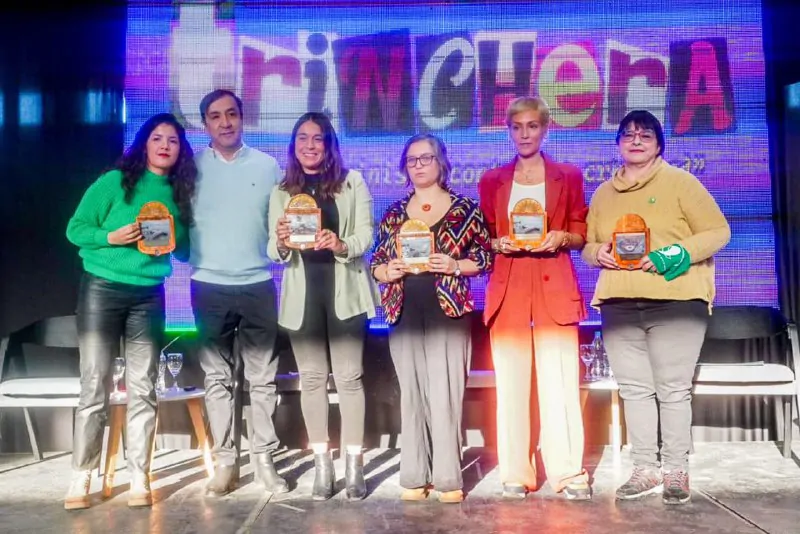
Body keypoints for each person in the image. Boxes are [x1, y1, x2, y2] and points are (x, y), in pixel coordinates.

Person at [582, 110, 730, 505]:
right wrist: (599, 252)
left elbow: (719, 231)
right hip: (619, 301)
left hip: (676, 301)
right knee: (634, 390)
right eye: (627, 134)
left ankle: (676, 470)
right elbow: (588, 244)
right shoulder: (602, 193)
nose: (635, 140)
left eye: (645, 135)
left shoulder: (681, 182)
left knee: (673, 390)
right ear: (617, 143)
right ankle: (645, 469)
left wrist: (676, 253)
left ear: (659, 143)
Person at [64, 113, 197, 510]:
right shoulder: (113, 182)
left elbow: (185, 251)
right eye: (157, 138)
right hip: (101, 289)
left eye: (173, 140)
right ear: (144, 143)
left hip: (149, 295)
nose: (164, 145)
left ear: (180, 150)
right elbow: (75, 229)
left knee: (143, 387)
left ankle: (140, 474)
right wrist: (111, 236)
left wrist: (174, 233)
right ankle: (81, 475)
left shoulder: (180, 191)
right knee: (94, 385)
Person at [477, 96, 591, 500]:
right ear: (509, 131)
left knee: (560, 381)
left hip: (554, 282)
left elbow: (581, 232)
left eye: (532, 126)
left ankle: (567, 472)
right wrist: (497, 242)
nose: (524, 134)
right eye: (516, 127)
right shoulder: (492, 179)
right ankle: (515, 472)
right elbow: (483, 239)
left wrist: (563, 236)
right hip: (509, 285)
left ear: (545, 129)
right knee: (510, 383)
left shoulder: (568, 175)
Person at [371, 133, 493, 504]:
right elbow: (374, 265)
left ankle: (446, 477)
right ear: (405, 169)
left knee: (445, 394)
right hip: (403, 309)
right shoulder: (393, 214)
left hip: (449, 310)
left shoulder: (466, 210)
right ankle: (414, 475)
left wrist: (456, 265)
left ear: (441, 162)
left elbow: (487, 258)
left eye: (426, 158)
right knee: (412, 394)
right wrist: (387, 271)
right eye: (412, 160)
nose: (420, 165)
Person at [268, 112, 378, 501]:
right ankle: (322, 465)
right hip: (303, 299)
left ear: (329, 144)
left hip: (345, 294)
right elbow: (272, 248)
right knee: (312, 381)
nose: (309, 145)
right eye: (302, 138)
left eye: (318, 139)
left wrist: (341, 243)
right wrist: (282, 240)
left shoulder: (352, 182)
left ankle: (353, 465)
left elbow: (367, 234)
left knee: (349, 379)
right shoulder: (282, 190)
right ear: (294, 145)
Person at [189, 89, 288, 497]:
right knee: (218, 379)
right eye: (215, 116)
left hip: (258, 284)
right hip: (208, 285)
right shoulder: (189, 167)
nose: (225, 122)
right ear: (205, 124)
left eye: (232, 114)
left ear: (243, 118)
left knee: (263, 379)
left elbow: (282, 226)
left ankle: (264, 460)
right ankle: (226, 464)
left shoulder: (268, 166)